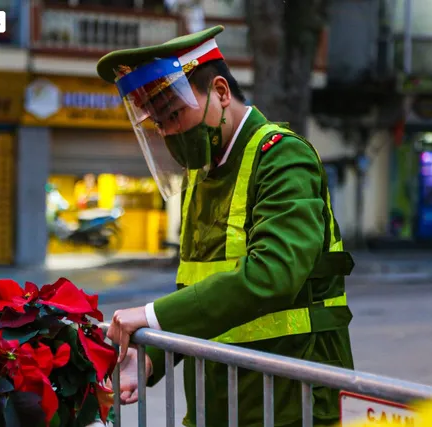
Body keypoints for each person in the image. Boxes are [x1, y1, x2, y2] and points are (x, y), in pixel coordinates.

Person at [99, 25, 355, 427]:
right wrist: (151, 359)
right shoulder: (200, 176)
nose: (169, 133)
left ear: (220, 92)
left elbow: (274, 273)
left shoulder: (282, 158)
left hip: (290, 398)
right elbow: (199, 293)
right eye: (159, 123)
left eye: (174, 115)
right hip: (215, 400)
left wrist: (150, 316)